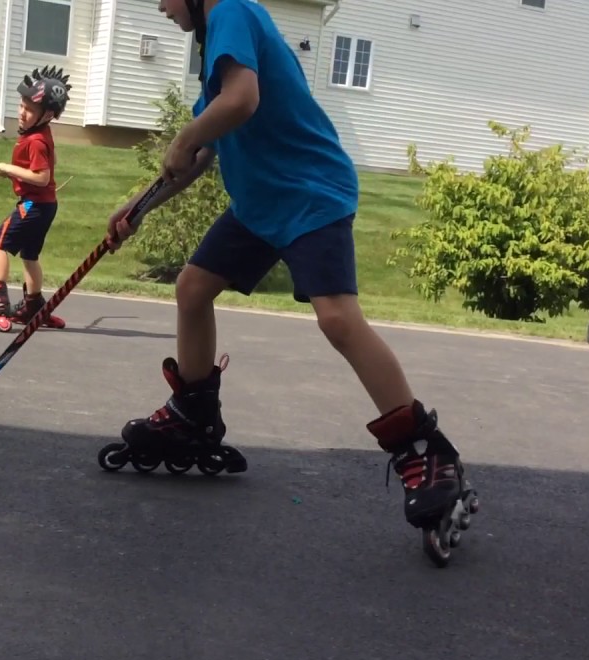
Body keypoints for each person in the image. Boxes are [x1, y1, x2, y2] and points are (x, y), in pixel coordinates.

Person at [103, 0, 470, 538]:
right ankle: (194, 415)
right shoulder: (216, 47)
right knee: (193, 288)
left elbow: (242, 100)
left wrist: (183, 137)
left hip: (308, 193)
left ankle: (425, 451)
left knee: (338, 320)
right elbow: (203, 154)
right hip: (259, 206)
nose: (159, 6)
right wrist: (138, 207)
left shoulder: (230, 9)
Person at [0, 66, 72, 326]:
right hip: (46, 205)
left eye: (29, 110)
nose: (22, 113)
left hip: (33, 203)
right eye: (21, 105)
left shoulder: (34, 140)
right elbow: (52, 159)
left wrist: (8, 169)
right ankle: (34, 304)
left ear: (46, 115)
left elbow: (42, 177)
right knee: (29, 255)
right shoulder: (42, 135)